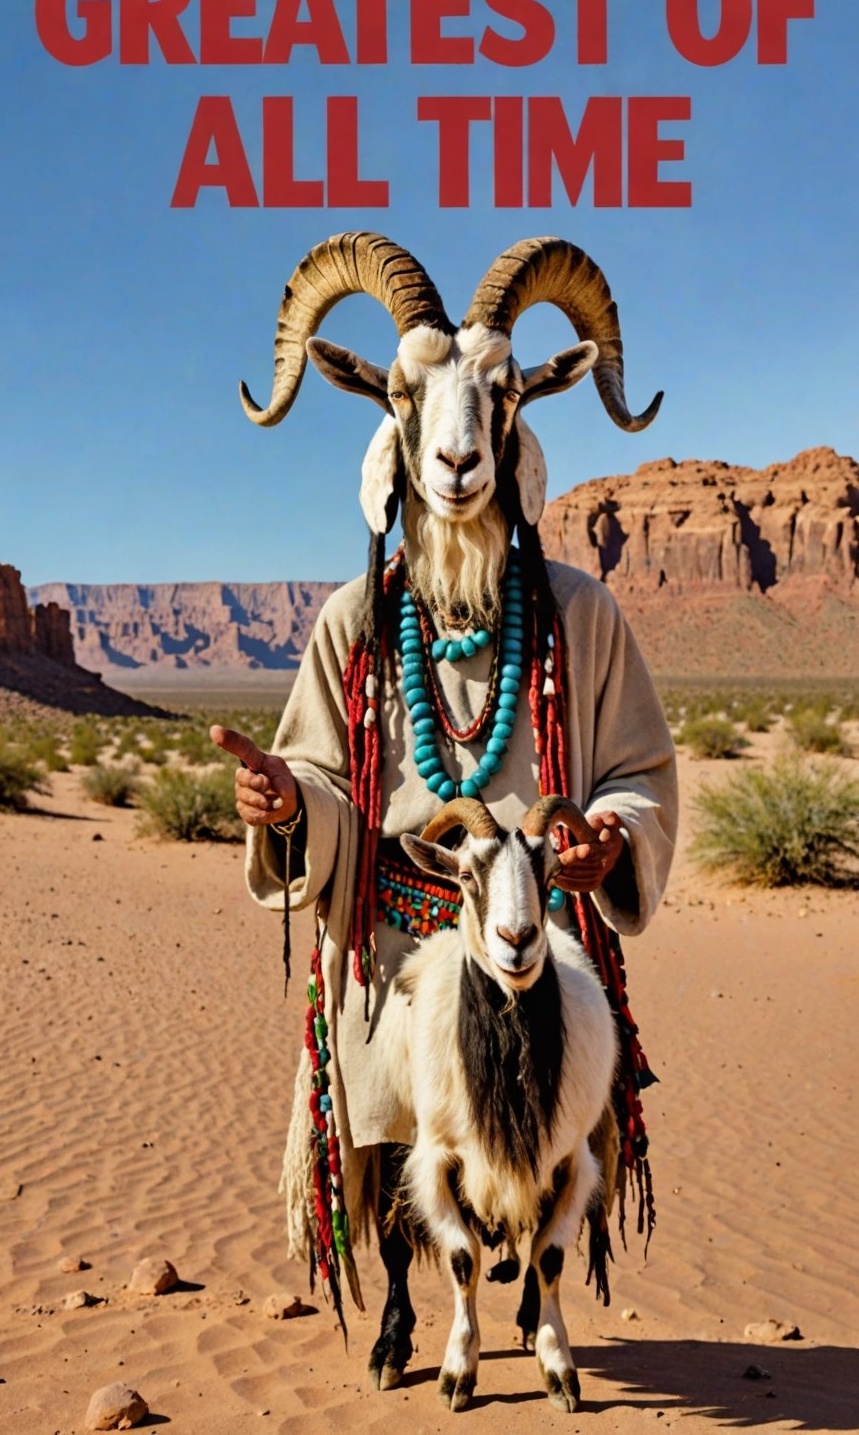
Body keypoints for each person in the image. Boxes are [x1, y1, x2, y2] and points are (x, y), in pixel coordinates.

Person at [211, 231, 678, 1354]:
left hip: (535, 931)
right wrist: (290, 806)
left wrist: (607, 839)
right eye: (426, 400)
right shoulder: (352, 624)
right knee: (389, 1099)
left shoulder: (580, 618)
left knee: (557, 1113)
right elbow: (324, 772)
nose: (461, 443)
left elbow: (637, 773)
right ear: (390, 410)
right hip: (398, 925)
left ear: (519, 414)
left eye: (494, 398)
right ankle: (407, 1295)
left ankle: (537, 1281)